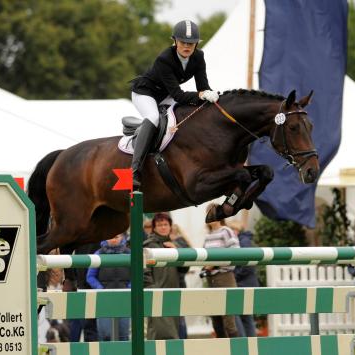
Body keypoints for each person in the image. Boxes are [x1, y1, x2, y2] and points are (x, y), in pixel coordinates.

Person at [129, 20, 219, 190]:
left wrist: (211, 94)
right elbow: (179, 94)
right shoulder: (165, 59)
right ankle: (135, 170)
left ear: (196, 44)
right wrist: (202, 95)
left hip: (166, 95)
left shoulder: (199, 57)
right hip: (145, 93)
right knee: (154, 117)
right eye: (183, 42)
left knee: (183, 114)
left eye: (191, 43)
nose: (187, 46)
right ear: (175, 41)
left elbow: (203, 88)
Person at [143, 213, 184, 339]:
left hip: (173, 295)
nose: (163, 227)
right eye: (159, 225)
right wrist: (152, 289)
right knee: (162, 334)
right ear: (154, 228)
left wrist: (176, 250)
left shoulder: (173, 245)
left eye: (165, 224)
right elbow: (144, 272)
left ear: (170, 227)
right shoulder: (148, 246)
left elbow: (184, 268)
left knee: (170, 333)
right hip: (157, 295)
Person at [203, 204, 240, 338]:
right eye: (209, 213)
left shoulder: (226, 231)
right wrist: (206, 266)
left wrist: (215, 265)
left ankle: (236, 349)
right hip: (210, 278)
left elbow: (236, 255)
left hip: (225, 276)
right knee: (216, 319)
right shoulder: (208, 236)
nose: (211, 216)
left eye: (214, 213)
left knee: (229, 319)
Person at [86, 234, 131, 341]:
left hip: (124, 298)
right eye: (111, 236)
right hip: (104, 299)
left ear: (122, 237)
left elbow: (137, 274)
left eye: (117, 237)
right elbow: (90, 276)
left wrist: (129, 288)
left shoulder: (129, 253)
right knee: (105, 334)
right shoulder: (98, 254)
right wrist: (100, 289)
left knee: (123, 334)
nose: (114, 239)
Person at [227, 220, 260, 337]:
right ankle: (250, 344)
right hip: (247, 283)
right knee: (246, 317)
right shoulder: (245, 241)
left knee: (242, 316)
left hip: (244, 284)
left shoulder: (243, 242)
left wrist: (233, 275)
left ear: (235, 231)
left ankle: (245, 343)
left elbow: (247, 265)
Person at [170, 223, 192, 339]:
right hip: (181, 282)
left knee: (178, 317)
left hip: (177, 281)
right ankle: (182, 339)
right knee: (180, 315)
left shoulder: (177, 243)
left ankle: (181, 339)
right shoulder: (184, 242)